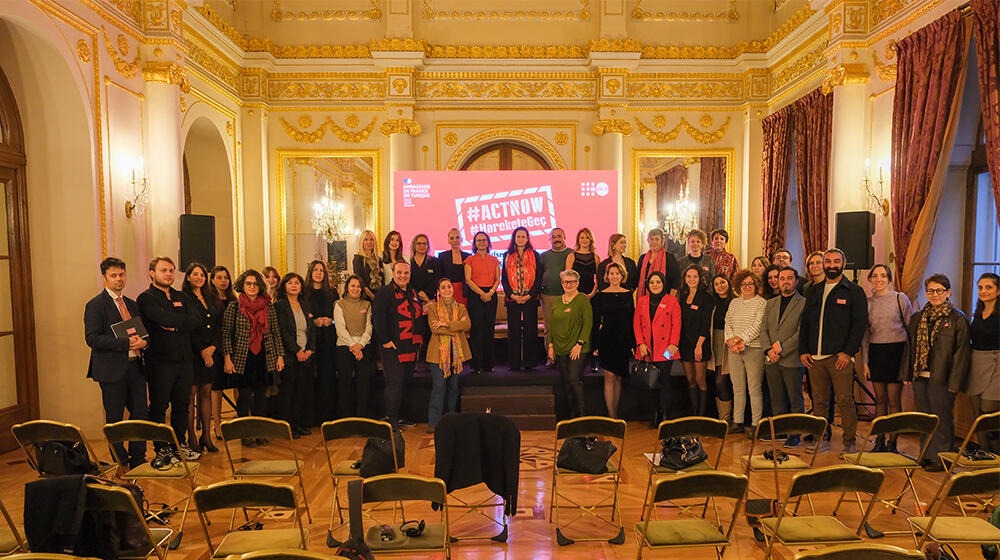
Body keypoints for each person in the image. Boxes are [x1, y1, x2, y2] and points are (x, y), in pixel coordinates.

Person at [799, 248, 868, 454]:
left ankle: (849, 442)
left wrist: (848, 352)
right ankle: (822, 439)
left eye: (836, 261)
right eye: (827, 261)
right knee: (818, 401)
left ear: (843, 264)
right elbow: (806, 323)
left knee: (845, 400)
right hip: (814, 358)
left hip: (840, 357)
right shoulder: (813, 290)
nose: (831, 265)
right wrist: (803, 350)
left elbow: (859, 325)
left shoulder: (854, 291)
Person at [85, 257, 148, 469]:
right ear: (104, 278)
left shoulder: (131, 304)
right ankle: (120, 461)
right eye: (114, 275)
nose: (119, 279)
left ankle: (138, 458)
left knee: (141, 413)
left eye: (121, 274)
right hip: (111, 370)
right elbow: (92, 339)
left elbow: (142, 334)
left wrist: (143, 342)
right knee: (115, 418)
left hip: (136, 367)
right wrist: (124, 343)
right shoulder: (95, 305)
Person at [905, 274, 971, 471]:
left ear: (948, 292)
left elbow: (962, 354)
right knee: (924, 418)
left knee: (941, 419)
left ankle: (941, 458)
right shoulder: (918, 316)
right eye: (931, 291)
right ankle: (926, 454)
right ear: (926, 293)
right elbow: (910, 347)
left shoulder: (958, 318)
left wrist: (955, 382)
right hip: (921, 376)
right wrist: (908, 374)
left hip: (943, 378)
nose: (935, 295)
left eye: (940, 291)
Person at [138, 256, 200, 466]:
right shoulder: (146, 298)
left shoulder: (181, 295)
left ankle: (178, 444)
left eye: (171, 270)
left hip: (185, 360)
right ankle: (161, 448)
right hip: (160, 361)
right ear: (152, 273)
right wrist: (177, 322)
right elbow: (161, 318)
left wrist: (175, 325)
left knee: (182, 404)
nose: (168, 274)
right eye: (163, 270)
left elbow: (196, 320)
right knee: (159, 405)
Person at [222, 269, 284, 446]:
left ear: (260, 286)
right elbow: (226, 334)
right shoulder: (234, 306)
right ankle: (245, 434)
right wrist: (227, 357)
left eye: (255, 283)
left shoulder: (268, 306)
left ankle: (260, 432)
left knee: (261, 396)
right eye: (248, 283)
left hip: (264, 355)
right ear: (242, 285)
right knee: (244, 396)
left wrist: (280, 355)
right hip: (242, 356)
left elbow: (275, 332)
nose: (251, 287)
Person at [860, 264, 913, 452]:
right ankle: (879, 441)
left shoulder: (900, 299)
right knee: (879, 400)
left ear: (889, 279)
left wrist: (909, 363)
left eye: (883, 275)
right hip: (876, 352)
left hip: (897, 352)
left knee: (894, 401)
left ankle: (893, 443)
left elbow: (911, 329)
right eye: (875, 276)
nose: (879, 279)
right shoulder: (866, 302)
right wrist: (865, 361)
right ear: (870, 279)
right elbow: (865, 335)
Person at [760, 267, 806, 447]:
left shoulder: (803, 303)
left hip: (791, 359)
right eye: (782, 278)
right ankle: (779, 430)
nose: (785, 281)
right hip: (771, 359)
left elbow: (801, 333)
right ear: (778, 282)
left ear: (796, 281)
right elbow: (763, 329)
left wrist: (781, 350)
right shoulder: (771, 303)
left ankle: (794, 434)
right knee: (776, 398)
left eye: (789, 278)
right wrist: (768, 351)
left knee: (795, 399)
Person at [375, 261, 423, 428]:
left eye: (406, 273)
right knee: (394, 383)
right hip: (392, 347)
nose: (403, 276)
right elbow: (378, 319)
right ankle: (392, 420)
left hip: (409, 345)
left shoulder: (412, 291)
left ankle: (401, 417)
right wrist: (385, 340)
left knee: (405, 382)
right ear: (393, 273)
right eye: (399, 273)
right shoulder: (385, 293)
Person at [634, 271, 682, 426]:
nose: (655, 285)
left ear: (663, 284)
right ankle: (654, 414)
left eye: (658, 282)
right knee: (651, 382)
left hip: (666, 349)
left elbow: (676, 324)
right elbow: (636, 324)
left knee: (665, 381)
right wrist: (640, 343)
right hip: (647, 348)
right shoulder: (642, 301)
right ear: (648, 285)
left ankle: (664, 414)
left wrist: (673, 345)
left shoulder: (672, 301)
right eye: (652, 282)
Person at [182, 262, 220, 454]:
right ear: (188, 277)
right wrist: (202, 351)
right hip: (192, 353)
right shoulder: (183, 298)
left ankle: (207, 435)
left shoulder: (211, 296)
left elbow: (218, 324)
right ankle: (192, 437)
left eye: (202, 275)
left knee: (206, 392)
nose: (199, 277)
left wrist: (212, 348)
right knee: (191, 394)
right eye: (195, 274)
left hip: (211, 353)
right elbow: (188, 328)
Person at [725, 269, 768, 434]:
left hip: (753, 349)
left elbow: (757, 327)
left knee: (754, 388)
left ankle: (757, 424)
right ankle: (738, 421)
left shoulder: (761, 303)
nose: (747, 286)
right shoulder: (734, 303)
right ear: (738, 286)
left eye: (750, 284)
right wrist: (731, 340)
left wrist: (738, 340)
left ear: (756, 285)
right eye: (743, 284)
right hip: (734, 350)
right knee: (738, 388)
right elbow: (727, 321)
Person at [426, 278, 471, 431]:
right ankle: (434, 423)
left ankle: (451, 421)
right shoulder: (432, 308)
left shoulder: (461, 307)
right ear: (438, 291)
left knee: (453, 387)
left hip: (457, 354)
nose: (447, 290)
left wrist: (445, 324)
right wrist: (456, 326)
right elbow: (435, 329)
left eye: (449, 287)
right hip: (438, 354)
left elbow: (467, 325)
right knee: (439, 386)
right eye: (443, 287)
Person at [547, 270, 593, 419]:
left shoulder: (582, 300)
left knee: (574, 379)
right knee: (566, 382)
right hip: (560, 348)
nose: (569, 284)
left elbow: (588, 323)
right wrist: (551, 345)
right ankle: (571, 417)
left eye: (572, 282)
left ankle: (581, 417)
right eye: (566, 282)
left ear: (577, 283)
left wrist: (579, 343)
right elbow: (552, 325)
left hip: (578, 348)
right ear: (562, 283)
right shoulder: (557, 302)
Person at [274, 272, 315, 438]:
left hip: (306, 354)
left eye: (297, 283)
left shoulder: (305, 304)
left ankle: (298, 424)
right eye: (290, 283)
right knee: (288, 392)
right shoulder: (280, 305)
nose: (293, 285)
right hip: (290, 356)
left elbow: (311, 330)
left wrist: (310, 349)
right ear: (284, 286)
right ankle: (287, 426)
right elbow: (283, 332)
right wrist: (297, 350)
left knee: (301, 391)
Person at [592, 262, 635, 418]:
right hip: (607, 339)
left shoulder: (628, 294)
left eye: (617, 273)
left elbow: (632, 320)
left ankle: (615, 414)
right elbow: (596, 322)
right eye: (611, 273)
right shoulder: (601, 295)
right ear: (607, 276)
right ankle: (611, 416)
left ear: (622, 276)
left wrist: (633, 343)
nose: (614, 276)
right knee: (609, 377)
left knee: (618, 377)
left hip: (623, 338)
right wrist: (595, 344)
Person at [501, 226, 542, 372]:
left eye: (523, 236)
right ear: (514, 238)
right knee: (514, 331)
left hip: (530, 298)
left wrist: (528, 295)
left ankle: (530, 362)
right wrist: (513, 295)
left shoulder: (535, 255)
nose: (521, 239)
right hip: (513, 299)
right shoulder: (507, 255)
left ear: (528, 238)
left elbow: (539, 279)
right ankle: (514, 363)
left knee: (531, 330)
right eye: (518, 236)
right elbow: (504, 279)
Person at [303, 260, 339, 424]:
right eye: (315, 270)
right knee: (309, 379)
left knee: (327, 378)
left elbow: (338, 317)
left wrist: (329, 321)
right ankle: (310, 417)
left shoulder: (332, 292)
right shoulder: (303, 293)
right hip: (309, 341)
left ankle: (328, 416)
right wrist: (314, 322)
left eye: (321, 270)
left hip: (328, 340)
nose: (318, 273)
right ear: (310, 272)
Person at [967, 273, 999, 452]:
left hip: (997, 366)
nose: (983, 291)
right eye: (980, 287)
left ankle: (996, 462)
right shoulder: (978, 313)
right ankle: (984, 461)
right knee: (978, 417)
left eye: (989, 287)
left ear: (998, 290)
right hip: (976, 365)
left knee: (989, 414)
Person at [334, 275, 374, 418]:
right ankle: (346, 419)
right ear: (347, 287)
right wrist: (353, 346)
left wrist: (361, 345)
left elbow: (369, 327)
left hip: (364, 347)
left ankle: (362, 418)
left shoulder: (367, 304)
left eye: (358, 286)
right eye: (353, 286)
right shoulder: (339, 304)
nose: (356, 289)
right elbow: (340, 328)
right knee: (345, 384)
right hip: (344, 347)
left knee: (363, 384)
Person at [677, 265, 714, 416]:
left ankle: (702, 415)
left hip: (700, 344)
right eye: (688, 276)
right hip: (685, 344)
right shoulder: (682, 297)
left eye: (695, 276)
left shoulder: (706, 298)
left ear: (700, 279)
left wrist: (699, 346)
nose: (691, 279)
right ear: (684, 279)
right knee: (690, 380)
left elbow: (705, 324)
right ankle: (694, 413)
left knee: (700, 380)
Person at [464, 231, 501, 374]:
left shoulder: (494, 260)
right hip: (475, 295)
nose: (481, 242)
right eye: (478, 240)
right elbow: (468, 280)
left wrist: (490, 292)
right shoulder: (469, 260)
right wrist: (482, 293)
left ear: (488, 242)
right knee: (477, 329)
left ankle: (488, 364)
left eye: (484, 240)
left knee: (488, 329)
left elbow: (497, 279)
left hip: (491, 295)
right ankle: (477, 364)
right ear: (474, 243)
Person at [207, 265, 235, 440]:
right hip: (216, 348)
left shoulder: (234, 299)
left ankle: (240, 422)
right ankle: (217, 425)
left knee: (237, 384)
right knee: (216, 388)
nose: (223, 280)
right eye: (219, 277)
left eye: (226, 277)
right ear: (212, 280)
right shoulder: (209, 300)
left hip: (233, 348)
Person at [708, 274, 735, 429]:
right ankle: (721, 419)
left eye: (723, 282)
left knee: (721, 381)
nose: (720, 286)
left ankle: (726, 420)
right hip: (714, 343)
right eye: (716, 284)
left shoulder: (735, 301)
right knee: (716, 381)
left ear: (728, 283)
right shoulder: (712, 302)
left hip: (729, 343)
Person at [409, 233, 440, 370]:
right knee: (414, 330)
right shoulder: (408, 262)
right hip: (412, 301)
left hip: (429, 301)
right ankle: (413, 361)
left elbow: (436, 280)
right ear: (414, 245)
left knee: (428, 330)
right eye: (419, 243)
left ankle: (428, 360)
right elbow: (407, 281)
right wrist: (417, 293)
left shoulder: (434, 261)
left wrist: (426, 294)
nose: (422, 246)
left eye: (424, 243)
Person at [637, 228, 680, 299]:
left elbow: (676, 279)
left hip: (665, 297)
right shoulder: (642, 258)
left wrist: (671, 297)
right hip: (645, 297)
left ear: (662, 241)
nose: (654, 242)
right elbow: (637, 278)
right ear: (648, 241)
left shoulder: (669, 257)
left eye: (657, 239)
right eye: (651, 239)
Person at [437, 228, 472, 306]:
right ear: (449, 241)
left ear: (461, 239)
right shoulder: (442, 256)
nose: (455, 240)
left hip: (464, 292)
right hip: (447, 291)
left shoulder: (468, 256)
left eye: (457, 237)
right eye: (452, 238)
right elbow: (439, 276)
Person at [565, 228, 599, 300]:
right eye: (582, 237)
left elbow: (598, 278)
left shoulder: (596, 257)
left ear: (591, 240)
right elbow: (567, 278)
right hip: (574, 294)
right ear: (578, 240)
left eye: (587, 237)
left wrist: (591, 294)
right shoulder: (571, 256)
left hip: (591, 294)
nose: (585, 240)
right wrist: (575, 293)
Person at [353, 229, 383, 301]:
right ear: (362, 242)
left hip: (380, 296)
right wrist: (373, 297)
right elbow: (360, 282)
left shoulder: (378, 260)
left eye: (371, 239)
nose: (369, 242)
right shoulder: (358, 259)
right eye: (366, 240)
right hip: (366, 298)